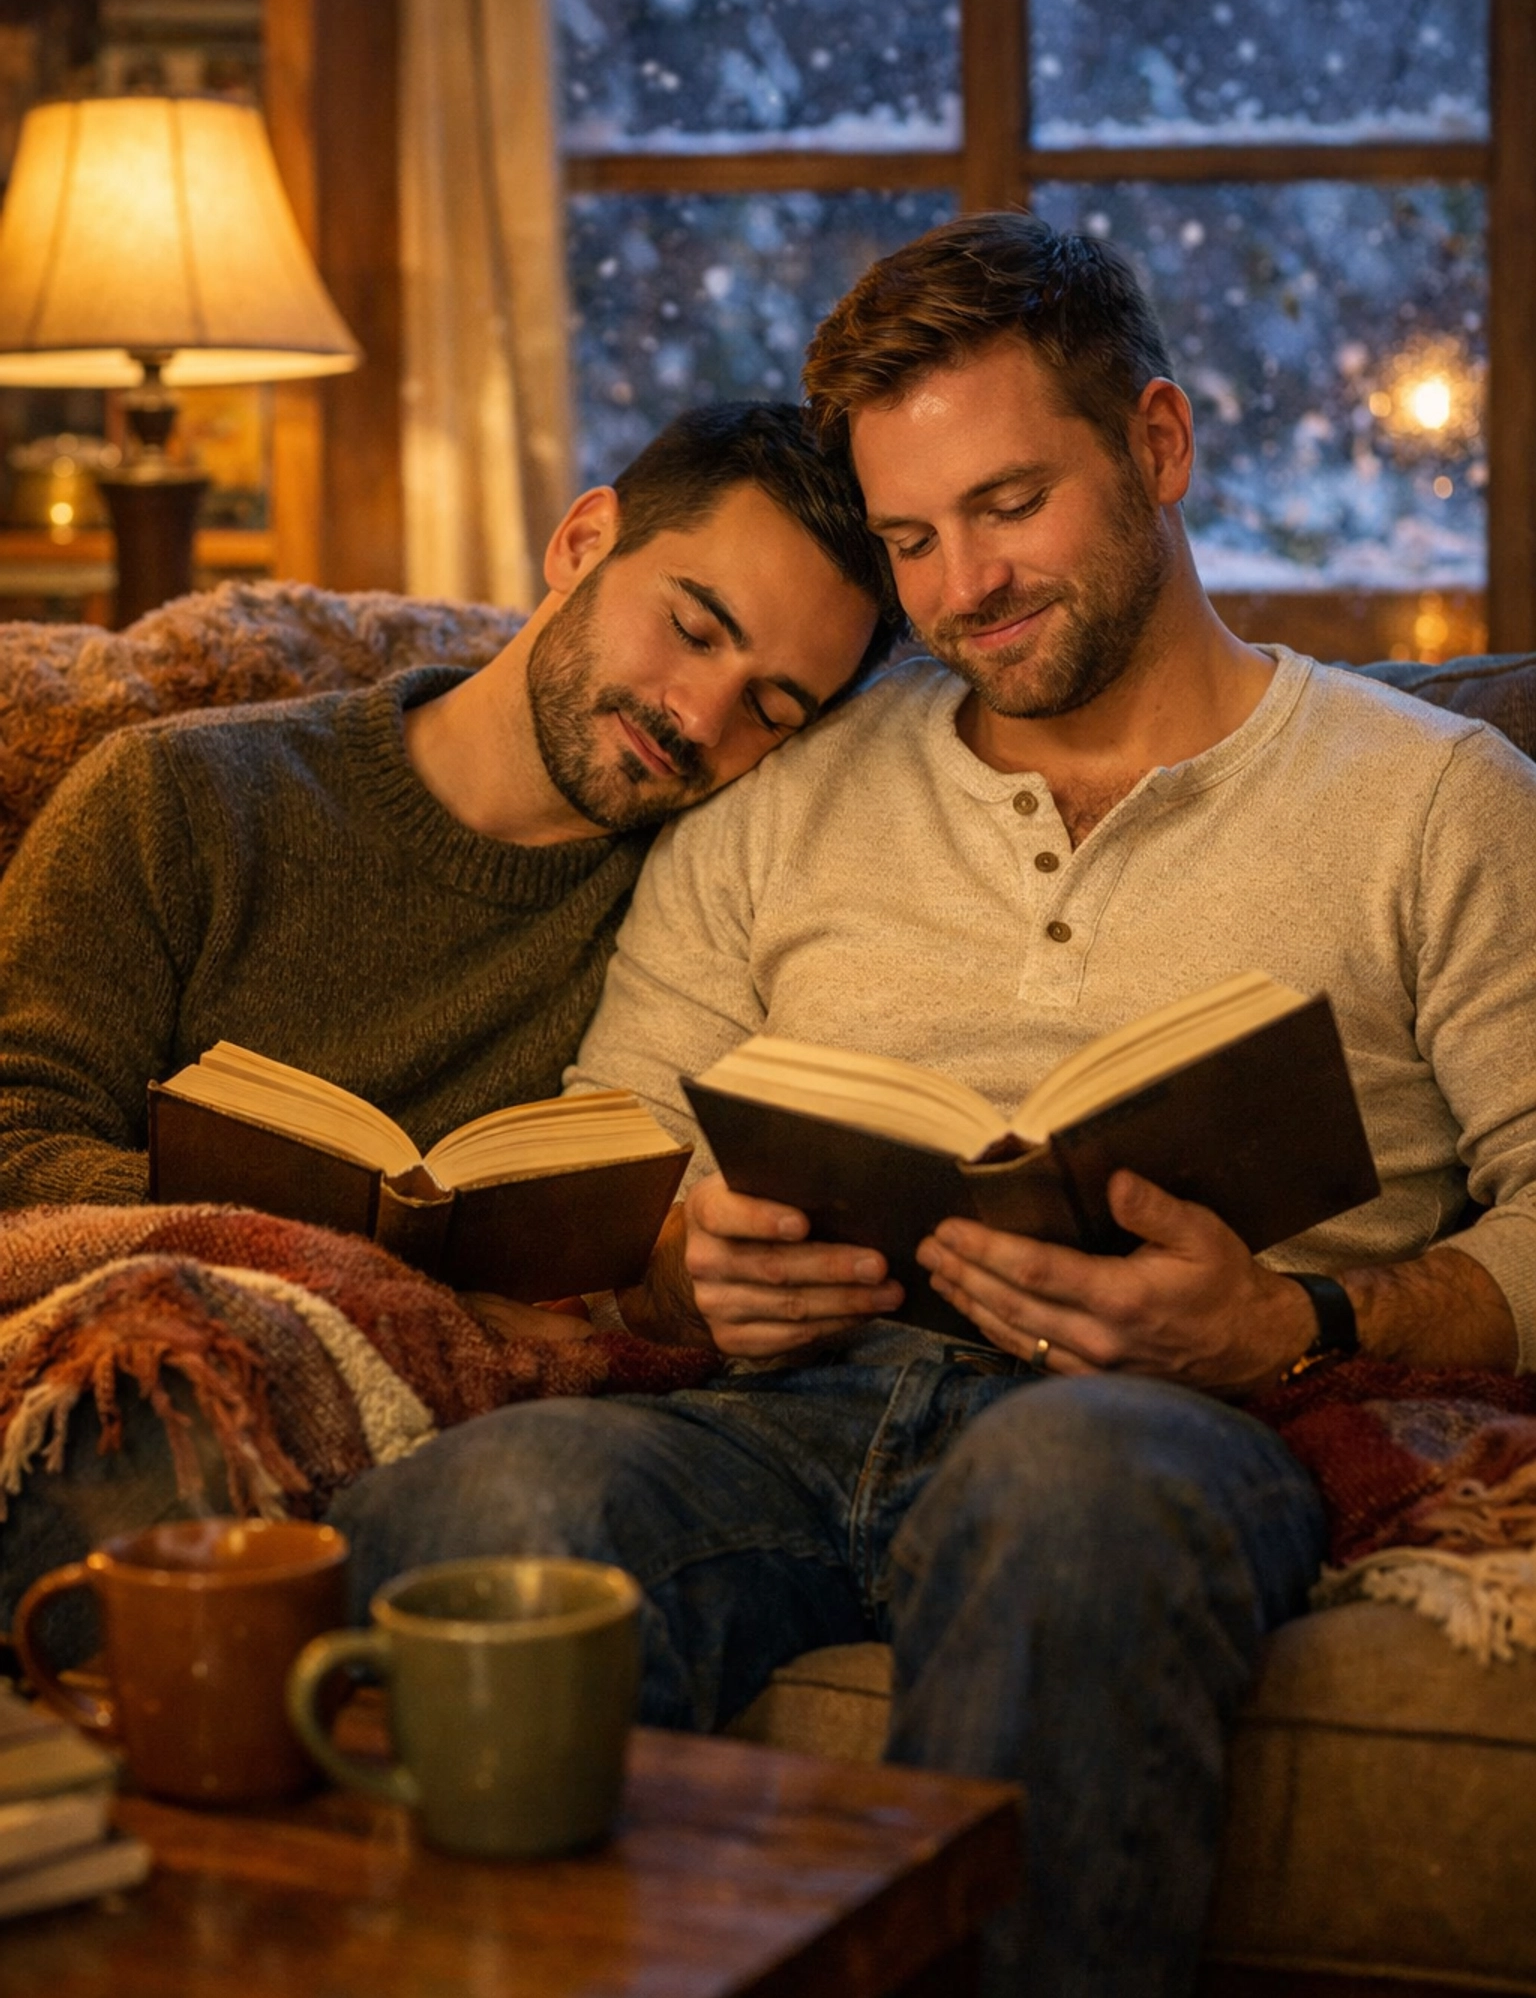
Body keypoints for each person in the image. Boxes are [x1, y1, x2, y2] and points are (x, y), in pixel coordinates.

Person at [332, 216, 1536, 1998]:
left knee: (1065, 1487)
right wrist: (682, 1266)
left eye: (1006, 505)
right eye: (907, 538)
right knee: (488, 1499)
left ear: (1156, 445)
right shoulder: (789, 781)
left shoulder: (1433, 799)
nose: (958, 586)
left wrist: (1295, 1317)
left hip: (1155, 1419)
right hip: (793, 1408)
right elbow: (618, 1132)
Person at [0, 400, 889, 1229]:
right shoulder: (177, 798)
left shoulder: (698, 911)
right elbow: (16, 1143)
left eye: (771, 712)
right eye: (693, 631)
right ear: (581, 544)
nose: (700, 717)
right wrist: (326, 1233)